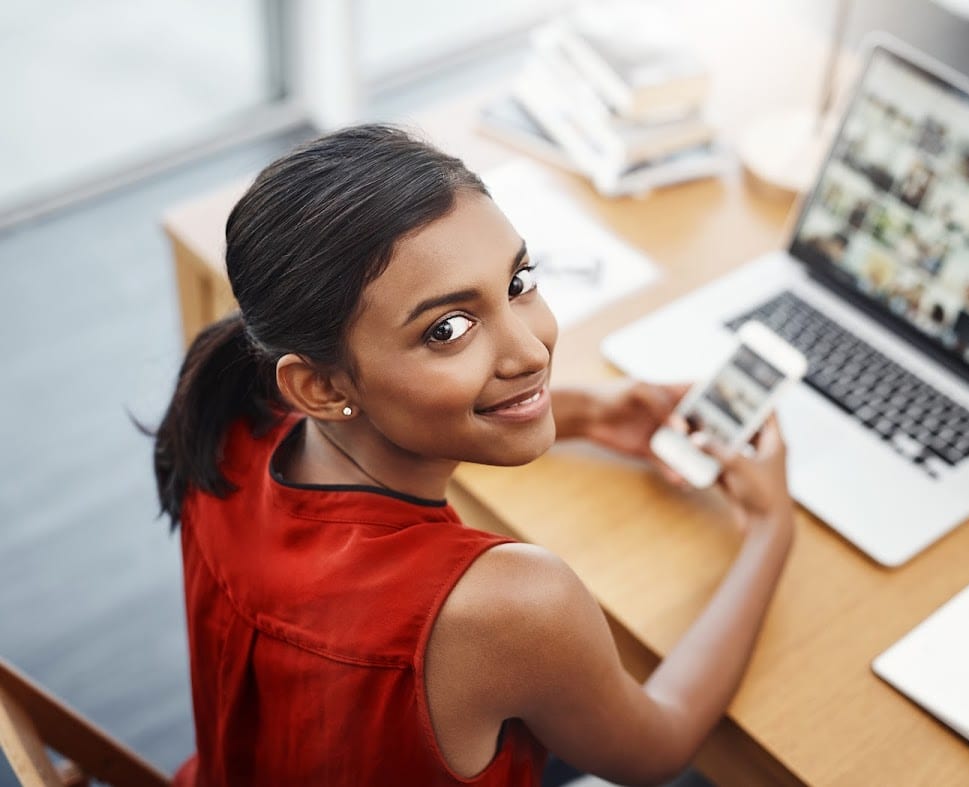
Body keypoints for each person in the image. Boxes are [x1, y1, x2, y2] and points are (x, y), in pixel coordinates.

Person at [151, 125, 796, 787]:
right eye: (447, 329)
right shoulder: (511, 605)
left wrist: (589, 412)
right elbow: (658, 745)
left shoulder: (231, 410)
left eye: (518, 281)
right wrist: (771, 529)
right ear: (320, 385)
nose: (531, 352)